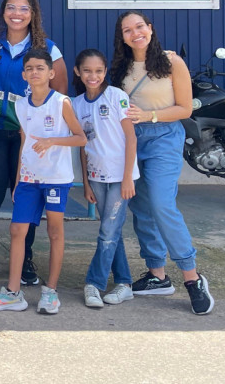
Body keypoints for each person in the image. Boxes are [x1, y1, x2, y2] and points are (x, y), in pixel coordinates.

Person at [113, 11, 213, 315]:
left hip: (164, 137)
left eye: (139, 27)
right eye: (127, 30)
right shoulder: (120, 67)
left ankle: (192, 277)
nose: (135, 33)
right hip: (132, 139)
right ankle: (157, 275)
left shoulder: (171, 62)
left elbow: (185, 108)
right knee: (141, 207)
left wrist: (149, 115)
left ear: (150, 28)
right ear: (122, 37)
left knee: (161, 204)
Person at [0, 0, 68, 288]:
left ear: (32, 14)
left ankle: (25, 259)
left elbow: (60, 93)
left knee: (27, 197)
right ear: (3, 12)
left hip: (31, 137)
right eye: (11, 7)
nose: (17, 13)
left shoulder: (48, 48)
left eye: (24, 8)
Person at [0, 49, 87, 314]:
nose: (34, 72)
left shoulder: (61, 102)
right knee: (17, 230)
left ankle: (50, 291)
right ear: (23, 75)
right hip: (29, 178)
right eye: (29, 68)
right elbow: (25, 142)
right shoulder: (21, 105)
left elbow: (80, 138)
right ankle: (13, 292)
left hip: (55, 179)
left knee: (54, 231)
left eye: (40, 68)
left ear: (51, 73)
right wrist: (18, 178)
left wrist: (52, 141)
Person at [74, 48, 139, 309]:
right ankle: (124, 284)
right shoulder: (77, 104)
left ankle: (94, 283)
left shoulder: (116, 97)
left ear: (105, 72)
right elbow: (82, 146)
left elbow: (131, 138)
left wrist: (128, 178)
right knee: (111, 232)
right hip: (96, 178)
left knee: (107, 232)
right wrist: (86, 182)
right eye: (87, 71)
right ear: (78, 72)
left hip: (121, 177)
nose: (93, 76)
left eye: (99, 71)